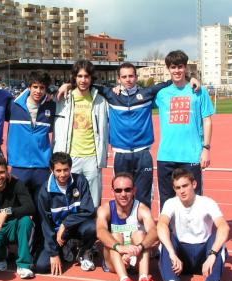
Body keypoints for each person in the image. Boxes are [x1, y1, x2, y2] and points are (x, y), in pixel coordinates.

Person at [57, 63, 200, 210]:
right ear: (118, 79)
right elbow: (86, 84)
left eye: (131, 76)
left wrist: (191, 79)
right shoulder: (110, 94)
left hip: (143, 154)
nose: (128, 80)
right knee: (122, 195)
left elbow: (170, 82)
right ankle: (124, 228)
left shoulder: (147, 94)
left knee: (144, 196)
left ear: (136, 77)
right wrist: (68, 84)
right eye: (124, 77)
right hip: (121, 155)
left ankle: (143, 229)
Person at [157, 168, 229, 281]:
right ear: (174, 189)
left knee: (218, 237)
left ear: (194, 184)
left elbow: (224, 226)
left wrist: (212, 254)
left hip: (204, 255)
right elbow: (161, 224)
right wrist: (172, 253)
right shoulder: (170, 203)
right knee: (166, 239)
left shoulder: (207, 202)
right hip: (181, 256)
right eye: (178, 187)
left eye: (185, 186)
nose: (182, 191)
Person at [155, 50, 214, 209]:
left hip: (191, 155)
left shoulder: (198, 90)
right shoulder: (161, 94)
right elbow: (137, 98)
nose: (177, 71)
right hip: (166, 155)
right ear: (168, 69)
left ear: (185, 67)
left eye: (180, 67)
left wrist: (206, 148)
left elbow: (207, 120)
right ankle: (167, 233)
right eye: (173, 67)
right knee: (167, 202)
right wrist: (118, 88)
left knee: (193, 200)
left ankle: (195, 232)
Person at [6, 71, 56, 256]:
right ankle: (14, 247)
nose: (38, 91)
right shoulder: (13, 105)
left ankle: (39, 247)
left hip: (41, 168)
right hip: (19, 167)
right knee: (17, 209)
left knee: (40, 210)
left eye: (42, 87)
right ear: (28, 87)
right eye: (35, 87)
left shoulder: (50, 106)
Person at [52, 59, 108, 208]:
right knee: (70, 198)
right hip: (70, 157)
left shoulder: (101, 101)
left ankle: (93, 228)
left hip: (92, 158)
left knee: (94, 201)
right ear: (74, 77)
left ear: (91, 78)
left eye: (87, 76)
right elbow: (37, 92)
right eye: (80, 76)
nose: (83, 80)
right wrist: (66, 86)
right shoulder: (62, 98)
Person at [97, 173, 158, 281]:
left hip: (136, 257)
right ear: (112, 191)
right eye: (118, 190)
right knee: (115, 235)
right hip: (115, 260)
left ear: (134, 190)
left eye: (127, 190)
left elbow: (153, 231)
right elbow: (100, 232)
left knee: (140, 234)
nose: (123, 194)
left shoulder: (142, 209)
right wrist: (119, 248)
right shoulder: (105, 209)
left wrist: (140, 247)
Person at [36, 152, 96, 275]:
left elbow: (89, 210)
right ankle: (68, 249)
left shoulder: (80, 181)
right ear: (51, 169)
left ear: (70, 168)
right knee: (41, 267)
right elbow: (45, 225)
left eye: (66, 170)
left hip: (77, 228)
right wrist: (53, 253)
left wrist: (65, 224)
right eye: (58, 171)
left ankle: (84, 251)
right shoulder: (44, 191)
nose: (62, 174)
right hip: (56, 236)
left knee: (93, 227)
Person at [0, 155, 36, 278]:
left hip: (12, 226)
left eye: (2, 172)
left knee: (26, 220)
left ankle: (23, 265)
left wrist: (6, 212)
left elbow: (30, 207)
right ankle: (1, 256)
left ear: (7, 171)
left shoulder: (17, 184)